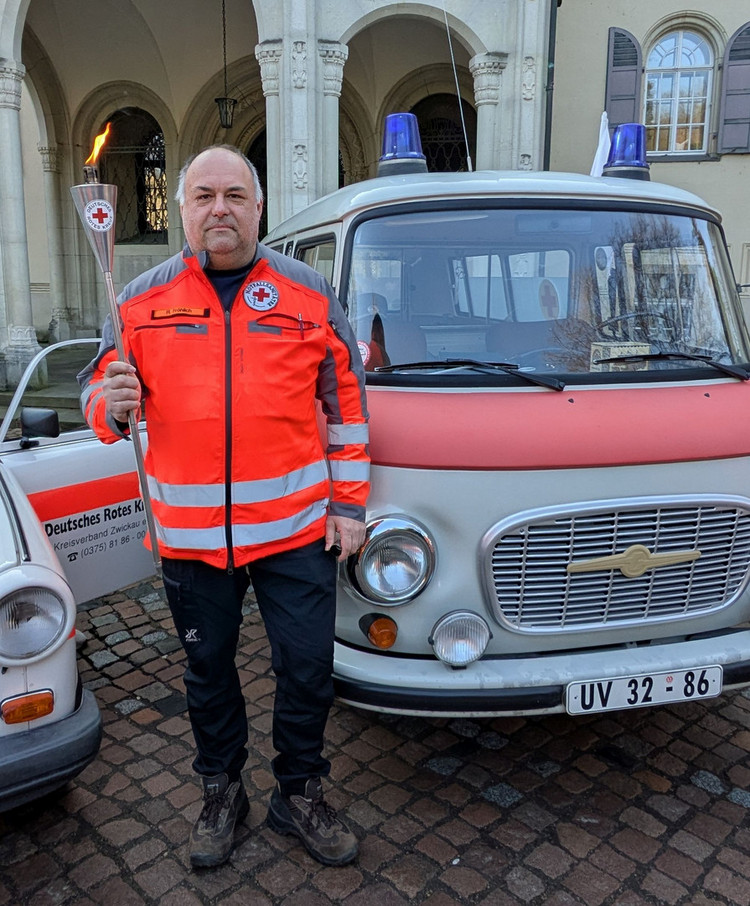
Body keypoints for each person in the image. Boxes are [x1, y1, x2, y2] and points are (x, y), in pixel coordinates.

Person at [78, 145, 370, 869]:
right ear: (182, 209)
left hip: (296, 532)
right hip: (190, 537)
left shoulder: (307, 294)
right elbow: (97, 392)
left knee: (308, 668)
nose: (220, 209)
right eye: (204, 196)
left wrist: (349, 505)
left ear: (258, 207)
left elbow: (347, 405)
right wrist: (109, 406)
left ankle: (298, 792)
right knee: (207, 673)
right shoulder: (137, 300)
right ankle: (221, 791)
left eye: (235, 196)